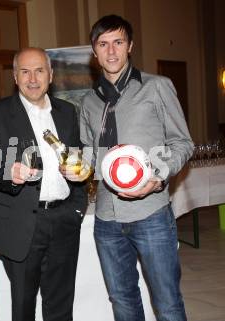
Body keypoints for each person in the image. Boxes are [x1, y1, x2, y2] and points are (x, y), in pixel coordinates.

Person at [78, 14, 193, 321]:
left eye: (118, 42)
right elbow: (90, 154)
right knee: (122, 301)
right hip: (106, 218)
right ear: (94, 51)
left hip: (151, 213)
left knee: (167, 302)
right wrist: (76, 166)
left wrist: (158, 177)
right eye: (103, 44)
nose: (111, 51)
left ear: (130, 46)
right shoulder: (89, 101)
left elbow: (183, 143)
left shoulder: (157, 87)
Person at [0, 47, 88, 321]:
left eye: (39, 70)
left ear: (50, 75)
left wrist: (77, 201)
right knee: (23, 307)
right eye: (24, 71)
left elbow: (77, 157)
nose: (32, 78)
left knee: (61, 305)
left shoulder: (68, 112)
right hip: (22, 223)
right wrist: (8, 172)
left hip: (64, 219)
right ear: (15, 77)